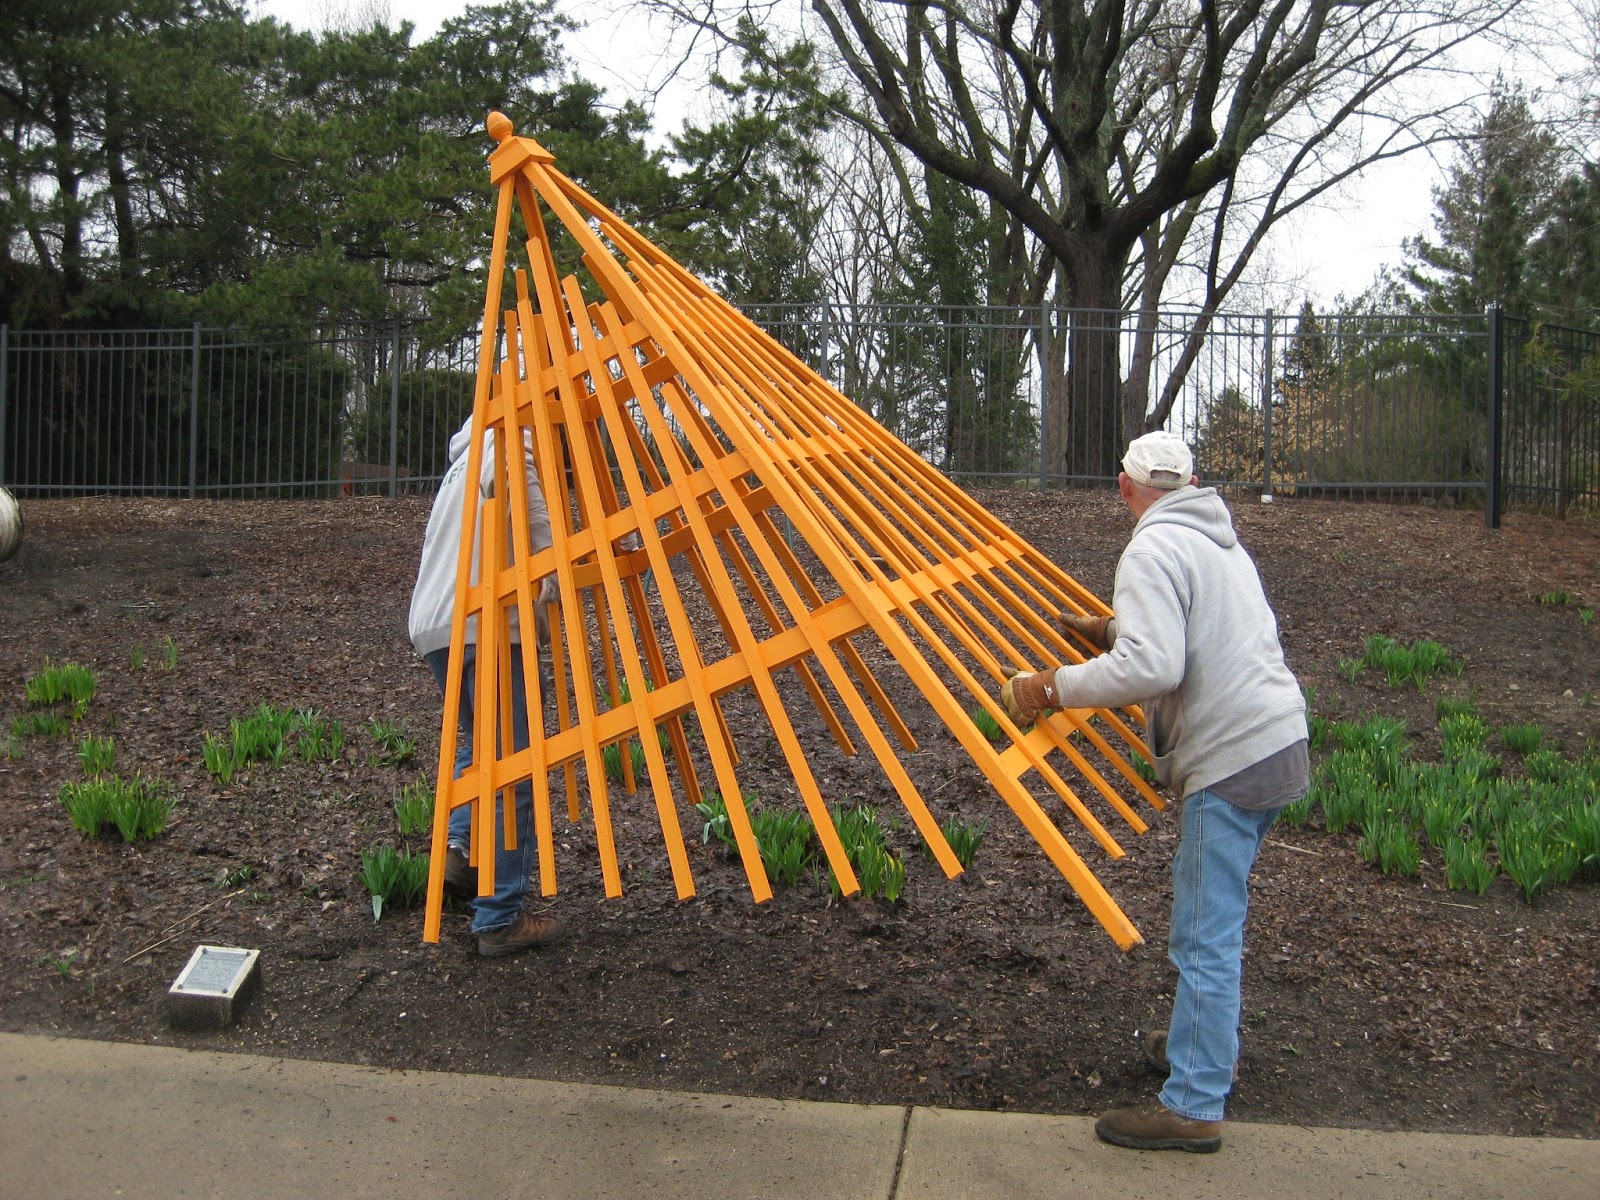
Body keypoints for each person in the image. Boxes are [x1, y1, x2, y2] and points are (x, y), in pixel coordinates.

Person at [1000, 430, 1307, 1153]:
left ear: (1123, 486)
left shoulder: (1149, 549)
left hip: (1230, 760)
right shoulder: (1220, 540)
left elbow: (1155, 667)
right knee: (1217, 923)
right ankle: (1205, 1052)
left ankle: (1195, 1103)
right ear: (1190, 483)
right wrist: (1114, 628)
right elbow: (1194, 630)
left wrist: (1048, 687)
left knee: (1204, 934)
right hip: (1280, 742)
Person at [408, 415, 565, 958]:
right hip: (486, 620)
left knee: (478, 746)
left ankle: (459, 852)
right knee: (513, 767)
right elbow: (534, 516)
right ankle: (498, 917)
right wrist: (554, 576)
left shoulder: (464, 460)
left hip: (436, 623)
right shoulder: (514, 440)